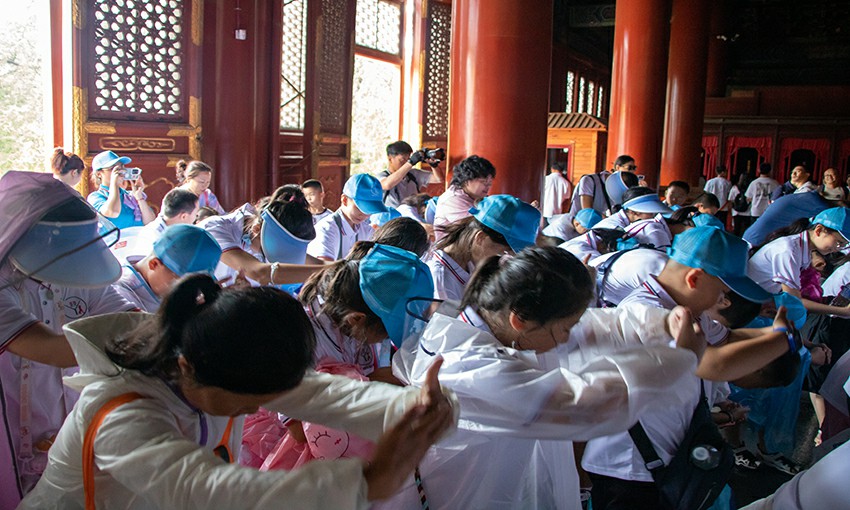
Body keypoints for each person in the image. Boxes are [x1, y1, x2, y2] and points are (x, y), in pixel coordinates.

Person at [18, 274, 457, 510]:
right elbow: (204, 490)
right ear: (187, 369)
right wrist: (363, 483)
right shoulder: (123, 412)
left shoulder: (218, 361)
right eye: (247, 403)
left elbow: (322, 393)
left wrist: (413, 406)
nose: (253, 410)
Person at [377, 246, 703, 510]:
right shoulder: (469, 367)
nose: (567, 338)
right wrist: (682, 358)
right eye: (563, 329)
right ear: (521, 320)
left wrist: (660, 323)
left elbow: (595, 326)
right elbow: (584, 406)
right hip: (464, 496)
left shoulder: (497, 325)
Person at [583, 227, 791, 509]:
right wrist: (783, 340)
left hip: (663, 460)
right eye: (722, 293)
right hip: (630, 469)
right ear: (694, 279)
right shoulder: (647, 314)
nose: (722, 302)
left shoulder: (690, 312)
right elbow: (713, 365)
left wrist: (774, 332)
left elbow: (728, 338)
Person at [0, 172, 137, 509]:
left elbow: (129, 318)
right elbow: (54, 350)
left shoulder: (78, 270)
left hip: (64, 424)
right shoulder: (4, 288)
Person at [429, 195, 540, 301]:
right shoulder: (440, 280)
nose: (504, 260)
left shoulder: (470, 264)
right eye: (504, 252)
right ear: (481, 238)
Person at [748, 207, 850, 317]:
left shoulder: (803, 250)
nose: (838, 249)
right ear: (819, 230)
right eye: (839, 243)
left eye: (844, 245)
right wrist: (842, 311)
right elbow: (793, 301)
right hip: (749, 306)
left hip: (762, 303)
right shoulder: (788, 250)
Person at [202, 198, 321, 286]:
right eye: (279, 247)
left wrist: (331, 269)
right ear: (257, 229)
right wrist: (324, 271)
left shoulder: (269, 240)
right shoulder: (215, 228)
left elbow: (315, 263)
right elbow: (260, 273)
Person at [113, 224, 222, 312]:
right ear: (154, 264)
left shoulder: (157, 287)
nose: (189, 293)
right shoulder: (119, 296)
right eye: (181, 283)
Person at [308, 174, 388, 262]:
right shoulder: (326, 230)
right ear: (344, 200)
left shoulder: (367, 230)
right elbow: (325, 267)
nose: (365, 215)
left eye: (370, 211)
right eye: (360, 208)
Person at [87, 150, 156, 229]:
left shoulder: (130, 195)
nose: (120, 171)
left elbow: (150, 222)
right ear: (99, 174)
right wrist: (114, 183)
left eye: (122, 167)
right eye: (113, 169)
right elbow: (113, 212)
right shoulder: (96, 197)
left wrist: (139, 197)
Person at [433, 155, 496, 238]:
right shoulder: (452, 199)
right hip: (452, 246)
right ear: (466, 180)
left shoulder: (475, 196)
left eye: (490, 183)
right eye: (484, 182)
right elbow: (480, 226)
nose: (488, 186)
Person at [133, 188, 199, 256]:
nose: (197, 217)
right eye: (195, 214)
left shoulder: (177, 231)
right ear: (184, 216)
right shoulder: (153, 237)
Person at [377, 141, 441, 209]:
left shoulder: (413, 175)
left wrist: (433, 165)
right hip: (393, 215)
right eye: (402, 160)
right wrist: (410, 162)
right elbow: (387, 185)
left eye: (408, 159)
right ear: (390, 158)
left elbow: (438, 179)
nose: (405, 163)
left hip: (413, 214)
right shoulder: (382, 176)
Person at [568, 155, 636, 217]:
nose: (632, 171)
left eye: (634, 168)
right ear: (617, 167)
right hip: (579, 222)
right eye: (629, 168)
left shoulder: (622, 185)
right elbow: (587, 211)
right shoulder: (589, 180)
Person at [592, 187, 671, 231]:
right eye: (651, 213)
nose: (653, 217)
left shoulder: (625, 223)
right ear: (633, 212)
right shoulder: (615, 228)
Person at [729, 172, 754, 237]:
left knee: (736, 230)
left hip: (736, 212)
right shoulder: (751, 188)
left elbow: (731, 200)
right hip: (748, 212)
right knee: (746, 231)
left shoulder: (734, 188)